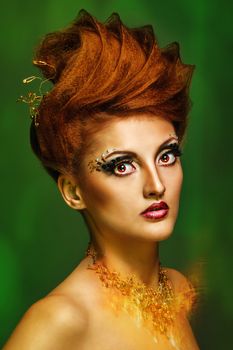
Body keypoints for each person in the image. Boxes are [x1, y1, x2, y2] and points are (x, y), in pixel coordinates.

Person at [4, 9, 199, 350]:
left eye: (166, 156)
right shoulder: (62, 320)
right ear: (73, 191)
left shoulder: (180, 290)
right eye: (123, 165)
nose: (157, 184)